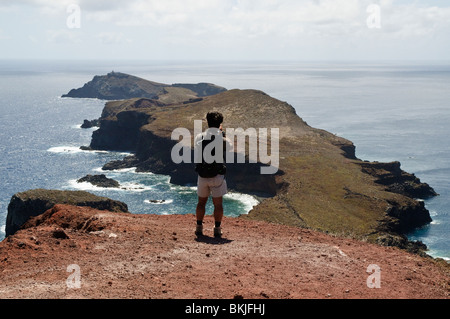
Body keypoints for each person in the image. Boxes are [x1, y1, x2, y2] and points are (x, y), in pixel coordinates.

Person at [194, 111, 232, 238]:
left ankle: (199, 227)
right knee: (218, 204)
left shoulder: (200, 137)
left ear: (207, 121)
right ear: (220, 123)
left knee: (201, 202)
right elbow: (230, 147)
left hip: (202, 175)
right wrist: (222, 134)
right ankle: (217, 228)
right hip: (217, 176)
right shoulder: (222, 138)